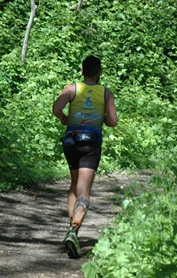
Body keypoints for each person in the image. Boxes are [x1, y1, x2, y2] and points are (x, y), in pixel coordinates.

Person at [52, 55, 118, 258]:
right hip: (90, 143)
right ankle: (74, 231)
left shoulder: (71, 89)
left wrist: (64, 118)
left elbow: (56, 108)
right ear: (99, 72)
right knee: (84, 191)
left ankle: (71, 228)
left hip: (71, 142)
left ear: (82, 70)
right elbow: (113, 122)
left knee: (73, 184)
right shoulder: (106, 93)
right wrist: (102, 118)